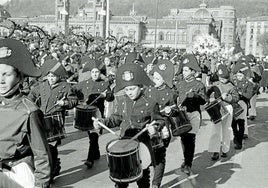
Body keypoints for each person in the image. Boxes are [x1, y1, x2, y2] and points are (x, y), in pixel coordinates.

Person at [93, 62, 165, 188]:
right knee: (120, 180)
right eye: (126, 90)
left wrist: (155, 128)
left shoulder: (150, 103)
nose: (129, 92)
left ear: (140, 87)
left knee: (142, 180)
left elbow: (159, 120)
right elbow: (116, 118)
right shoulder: (122, 101)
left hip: (142, 146)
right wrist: (102, 122)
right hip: (124, 144)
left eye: (132, 89)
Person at [0, 38, 51, 188]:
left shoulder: (29, 111)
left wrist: (41, 184)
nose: (1, 80)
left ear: (20, 77)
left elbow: (42, 155)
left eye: (6, 75)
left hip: (17, 174)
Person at [28, 59, 78, 178]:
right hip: (41, 118)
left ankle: (53, 166)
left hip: (55, 120)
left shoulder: (65, 86)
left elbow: (74, 100)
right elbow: (31, 95)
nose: (51, 78)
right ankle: (50, 167)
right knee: (41, 146)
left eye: (53, 76)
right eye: (49, 76)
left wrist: (64, 103)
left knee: (52, 147)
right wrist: (30, 104)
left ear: (59, 76)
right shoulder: (42, 85)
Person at [74, 59, 114, 168]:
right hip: (86, 113)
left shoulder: (104, 84)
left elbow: (111, 97)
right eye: (93, 72)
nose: (95, 74)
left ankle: (90, 159)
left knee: (93, 136)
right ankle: (95, 153)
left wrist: (105, 95)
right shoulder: (85, 83)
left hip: (97, 113)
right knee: (91, 136)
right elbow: (73, 89)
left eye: (97, 72)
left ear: (100, 73)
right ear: (90, 73)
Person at [173, 54, 206, 175]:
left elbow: (204, 100)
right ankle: (186, 159)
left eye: (186, 70)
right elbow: (174, 96)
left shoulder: (199, 85)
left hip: (194, 114)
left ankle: (188, 164)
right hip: (182, 115)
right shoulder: (179, 84)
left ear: (193, 71)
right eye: (183, 70)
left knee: (190, 139)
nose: (184, 72)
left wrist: (196, 96)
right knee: (183, 139)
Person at [149, 59, 178, 188]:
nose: (154, 80)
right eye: (154, 77)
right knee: (150, 155)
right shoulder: (148, 90)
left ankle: (156, 183)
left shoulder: (170, 93)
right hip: (149, 127)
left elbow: (176, 111)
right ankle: (154, 172)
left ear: (165, 79)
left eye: (157, 78)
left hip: (163, 128)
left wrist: (169, 111)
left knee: (159, 155)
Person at [207, 64, 239, 159]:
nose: (222, 80)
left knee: (227, 129)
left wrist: (228, 97)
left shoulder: (231, 86)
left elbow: (236, 98)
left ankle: (225, 150)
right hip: (217, 108)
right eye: (220, 78)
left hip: (228, 107)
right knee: (215, 129)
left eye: (224, 78)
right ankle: (215, 150)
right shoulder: (215, 84)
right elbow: (207, 93)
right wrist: (210, 98)